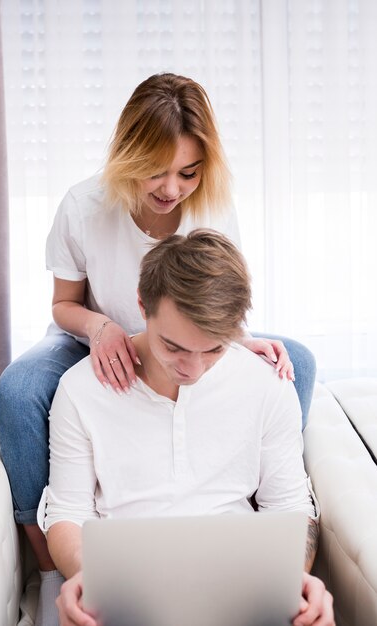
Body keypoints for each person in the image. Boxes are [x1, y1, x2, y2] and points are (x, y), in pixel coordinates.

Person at [0, 73, 316, 626]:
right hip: (92, 331)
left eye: (187, 172)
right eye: (155, 171)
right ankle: (47, 562)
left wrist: (234, 343)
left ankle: (246, 483)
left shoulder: (212, 206)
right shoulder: (85, 205)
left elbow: (212, 302)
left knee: (294, 363)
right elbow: (64, 304)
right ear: (128, 156)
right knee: (20, 391)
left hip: (182, 331)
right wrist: (101, 330)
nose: (171, 188)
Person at [39, 230, 333, 626]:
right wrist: (88, 578)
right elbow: (68, 512)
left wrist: (290, 580)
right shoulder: (80, 391)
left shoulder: (267, 384)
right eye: (174, 346)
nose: (191, 369)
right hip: (128, 591)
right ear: (142, 305)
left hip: (242, 587)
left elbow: (290, 506)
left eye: (213, 349)